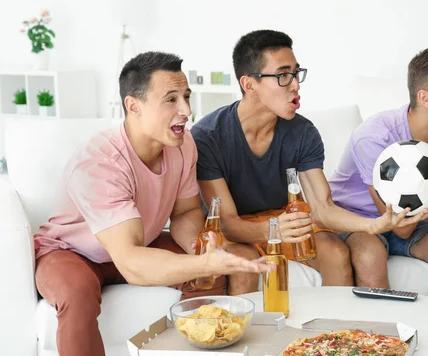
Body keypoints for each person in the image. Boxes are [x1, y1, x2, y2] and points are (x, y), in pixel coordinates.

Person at [33, 51, 273, 356]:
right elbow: (131, 262)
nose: (186, 110)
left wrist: (199, 250)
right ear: (133, 106)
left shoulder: (183, 144)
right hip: (72, 252)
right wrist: (200, 262)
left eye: (186, 96)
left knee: (206, 275)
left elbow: (185, 211)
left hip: (137, 244)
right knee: (78, 293)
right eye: (171, 99)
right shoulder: (100, 164)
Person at [191, 29, 425, 291]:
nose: (295, 84)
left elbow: (322, 208)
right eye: (282, 75)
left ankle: (336, 332)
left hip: (283, 221)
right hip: (240, 230)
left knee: (335, 253)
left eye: (296, 73)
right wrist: (273, 229)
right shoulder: (208, 136)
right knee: (241, 264)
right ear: (249, 85)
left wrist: (375, 225)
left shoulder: (303, 132)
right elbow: (227, 223)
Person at [328, 47, 428, 310]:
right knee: (370, 254)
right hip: (361, 220)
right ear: (426, 98)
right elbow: (400, 225)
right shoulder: (375, 137)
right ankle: (385, 345)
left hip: (412, 221)